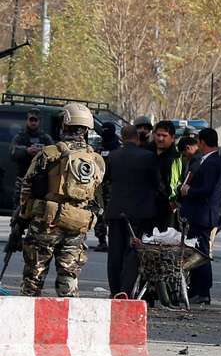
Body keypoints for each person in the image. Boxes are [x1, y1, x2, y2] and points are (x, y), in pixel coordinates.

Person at [17, 103, 105, 297]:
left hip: (45, 224)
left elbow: (27, 187)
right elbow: (97, 194)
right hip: (76, 224)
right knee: (68, 279)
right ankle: (70, 322)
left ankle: (27, 326)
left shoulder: (49, 153)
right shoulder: (96, 159)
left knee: (33, 279)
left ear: (64, 125)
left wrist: (23, 216)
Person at [104, 125, 160, 296]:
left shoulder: (112, 156)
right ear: (137, 138)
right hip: (139, 211)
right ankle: (126, 290)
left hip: (116, 211)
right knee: (133, 252)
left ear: (122, 138)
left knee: (115, 252)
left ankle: (114, 290)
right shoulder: (148, 157)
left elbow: (106, 180)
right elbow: (156, 183)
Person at [180, 128, 221, 305]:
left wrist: (189, 190)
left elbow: (207, 189)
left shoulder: (212, 162)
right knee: (196, 252)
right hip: (198, 214)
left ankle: (203, 291)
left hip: (203, 214)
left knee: (201, 255)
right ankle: (197, 289)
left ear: (202, 142)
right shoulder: (208, 160)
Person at [9, 109, 53, 210]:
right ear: (27, 121)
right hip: (23, 178)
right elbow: (12, 153)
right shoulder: (20, 137)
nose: (33, 122)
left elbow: (54, 155)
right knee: (19, 207)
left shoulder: (45, 138)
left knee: (39, 207)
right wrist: (26, 150)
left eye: (35, 120)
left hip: (40, 179)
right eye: (31, 120)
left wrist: (41, 152)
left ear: (39, 121)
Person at [92, 122, 121, 252]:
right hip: (99, 185)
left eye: (107, 130)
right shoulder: (99, 146)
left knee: (113, 214)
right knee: (99, 212)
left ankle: (115, 241)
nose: (104, 132)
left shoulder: (118, 148)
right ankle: (101, 240)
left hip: (113, 186)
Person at [149, 120, 183, 231]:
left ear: (172, 138)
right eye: (158, 135)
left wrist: (174, 201)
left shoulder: (176, 158)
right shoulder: (146, 153)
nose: (160, 139)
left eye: (164, 136)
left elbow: (177, 183)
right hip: (146, 208)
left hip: (167, 210)